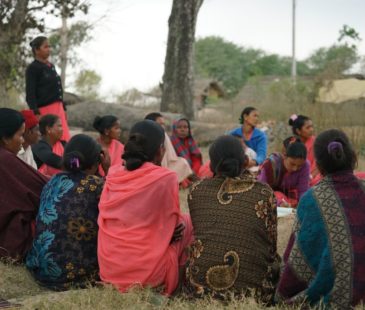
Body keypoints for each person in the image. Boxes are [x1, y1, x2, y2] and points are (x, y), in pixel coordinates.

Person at [98, 120, 193, 295]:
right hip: (147, 276)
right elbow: (173, 226)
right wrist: (167, 233)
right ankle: (179, 286)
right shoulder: (166, 177)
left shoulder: (113, 173)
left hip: (110, 272)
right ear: (159, 150)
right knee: (188, 223)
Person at [185, 136, 280, 303]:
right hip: (254, 295)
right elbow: (271, 248)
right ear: (245, 161)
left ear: (212, 165)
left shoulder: (196, 191)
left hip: (200, 289)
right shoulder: (263, 193)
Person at [277, 129, 365, 308]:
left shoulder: (312, 198)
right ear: (352, 157)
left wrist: (284, 288)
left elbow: (299, 256)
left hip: (335, 295)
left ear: (319, 164)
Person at [26, 134, 107, 290]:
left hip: (40, 271)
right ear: (97, 163)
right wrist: (108, 169)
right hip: (75, 278)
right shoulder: (98, 185)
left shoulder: (53, 181)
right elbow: (118, 201)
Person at [0, 108, 47, 261]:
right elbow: (40, 186)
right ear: (5, 138)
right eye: (20, 135)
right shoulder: (5, 159)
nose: (22, 140)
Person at [26, 36, 70, 141]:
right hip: (45, 110)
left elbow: (58, 89)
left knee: (64, 139)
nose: (49, 49)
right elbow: (30, 93)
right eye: (45, 47)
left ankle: (65, 158)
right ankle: (53, 158)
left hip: (58, 109)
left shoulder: (51, 66)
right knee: (51, 139)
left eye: (49, 46)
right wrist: (36, 113)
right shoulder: (33, 68)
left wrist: (63, 108)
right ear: (37, 50)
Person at [258, 137, 310, 208]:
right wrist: (279, 202)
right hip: (270, 195)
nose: (295, 169)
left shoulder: (305, 165)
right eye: (292, 164)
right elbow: (261, 190)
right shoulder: (270, 165)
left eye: (299, 166)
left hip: (289, 195)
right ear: (284, 155)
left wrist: (304, 205)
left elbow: (303, 190)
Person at [144, 112, 193, 183]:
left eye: (163, 124)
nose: (163, 127)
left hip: (165, 166)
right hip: (149, 169)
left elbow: (171, 157)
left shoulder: (164, 135)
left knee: (183, 162)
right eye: (160, 124)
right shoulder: (142, 136)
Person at [288, 114, 320, 185]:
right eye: (308, 128)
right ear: (298, 131)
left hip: (314, 176)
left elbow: (319, 165)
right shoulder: (292, 144)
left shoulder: (317, 142)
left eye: (312, 127)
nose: (311, 130)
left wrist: (310, 176)